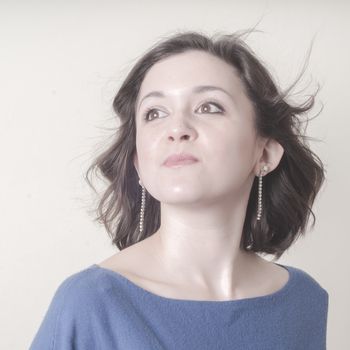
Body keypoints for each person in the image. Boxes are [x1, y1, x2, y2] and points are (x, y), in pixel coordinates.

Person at [29, 29, 329, 349]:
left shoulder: (303, 302)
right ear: (138, 162)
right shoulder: (89, 304)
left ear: (265, 152)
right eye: (154, 113)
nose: (176, 129)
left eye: (209, 107)